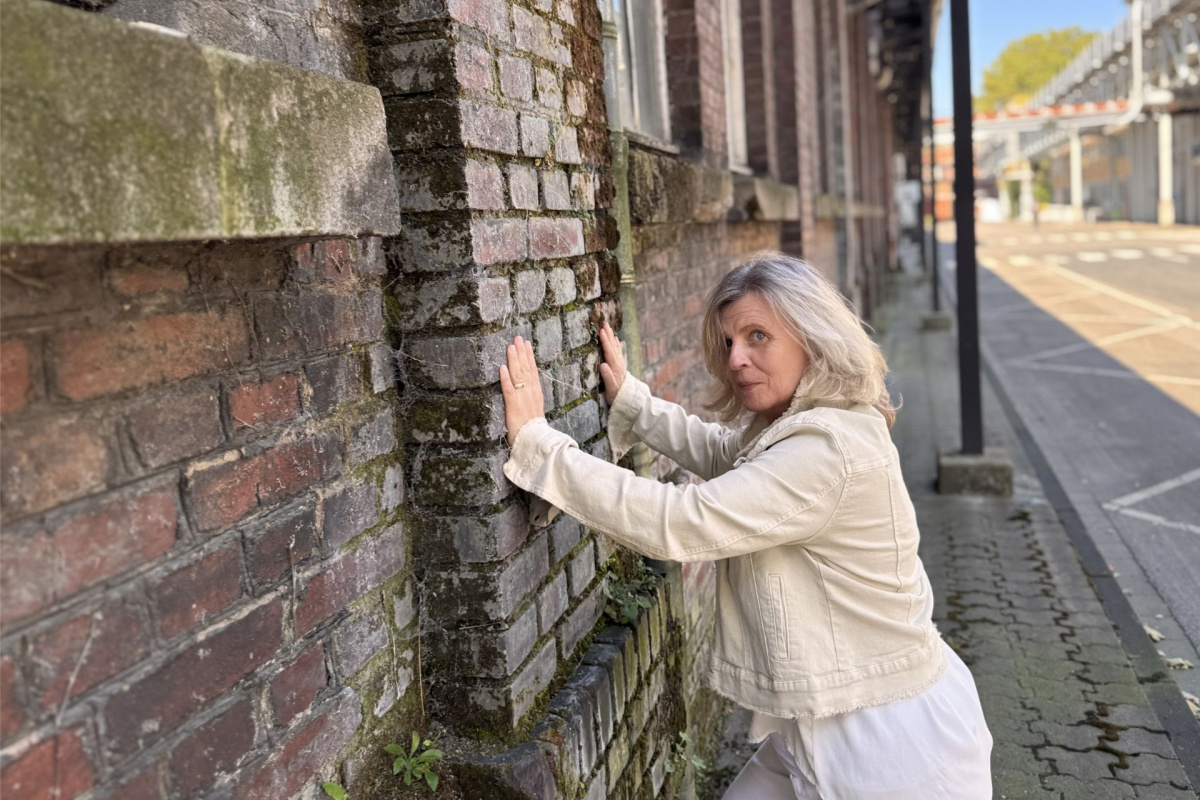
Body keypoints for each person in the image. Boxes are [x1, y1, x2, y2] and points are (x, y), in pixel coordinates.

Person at [498, 253, 993, 799]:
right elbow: (727, 457)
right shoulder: (806, 423)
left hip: (888, 741)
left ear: (813, 336)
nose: (737, 359)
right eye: (730, 341)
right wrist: (637, 406)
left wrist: (541, 448)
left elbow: (682, 523)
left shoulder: (826, 449)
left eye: (759, 336)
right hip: (832, 710)